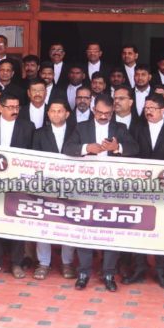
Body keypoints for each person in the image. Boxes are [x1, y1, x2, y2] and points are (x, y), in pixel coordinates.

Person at [63, 94, 139, 291]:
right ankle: (83, 273)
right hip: (86, 188)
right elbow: (67, 148)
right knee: (85, 230)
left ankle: (108, 274)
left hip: (112, 189)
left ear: (113, 112)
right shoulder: (81, 127)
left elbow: (135, 148)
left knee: (111, 231)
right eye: (100, 113)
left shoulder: (120, 128)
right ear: (93, 110)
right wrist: (86, 147)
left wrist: (118, 147)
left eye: (108, 113)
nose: (104, 116)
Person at [122, 93, 164, 289]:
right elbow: (131, 155)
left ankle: (162, 270)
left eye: (152, 108)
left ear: (163, 110)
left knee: (163, 229)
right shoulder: (137, 128)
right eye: (146, 108)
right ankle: (139, 267)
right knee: (139, 227)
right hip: (141, 188)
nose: (148, 111)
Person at [0, 93, 35, 279]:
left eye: (17, 107)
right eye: (10, 107)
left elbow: (32, 155)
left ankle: (16, 263)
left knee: (17, 222)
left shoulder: (27, 127)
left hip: (18, 182)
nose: (14, 110)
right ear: (0, 108)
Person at [32, 98, 77, 280]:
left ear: (67, 113)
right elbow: (32, 159)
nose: (56, 114)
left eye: (60, 111)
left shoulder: (76, 132)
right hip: (45, 185)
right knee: (43, 223)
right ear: (48, 113)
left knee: (69, 223)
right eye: (52, 111)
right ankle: (44, 263)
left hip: (70, 186)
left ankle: (67, 263)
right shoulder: (38, 134)